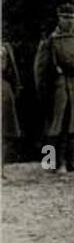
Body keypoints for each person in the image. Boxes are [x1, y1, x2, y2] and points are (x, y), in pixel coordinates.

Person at [34, 3, 74, 173]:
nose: (69, 22)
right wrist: (44, 93)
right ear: (59, 19)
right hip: (59, 87)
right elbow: (40, 71)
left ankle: (72, 161)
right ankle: (56, 162)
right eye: (65, 18)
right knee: (58, 126)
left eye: (72, 18)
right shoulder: (51, 41)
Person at [2, 36, 24, 164]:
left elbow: (13, 69)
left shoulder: (5, 46)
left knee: (5, 132)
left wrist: (16, 87)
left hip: (3, 88)